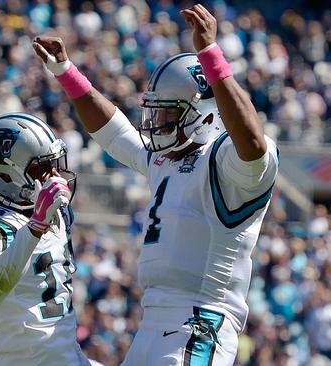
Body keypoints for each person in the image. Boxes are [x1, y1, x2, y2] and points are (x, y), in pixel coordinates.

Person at [33, 4, 279, 364]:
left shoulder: (228, 163)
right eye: (156, 112)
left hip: (200, 321)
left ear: (205, 113)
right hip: (152, 323)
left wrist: (211, 55)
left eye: (168, 114)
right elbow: (114, 132)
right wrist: (66, 72)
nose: (156, 124)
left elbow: (254, 145)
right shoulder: (165, 160)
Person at [0, 113, 94, 365]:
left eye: (54, 164)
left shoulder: (58, 210)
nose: (54, 175)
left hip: (67, 354)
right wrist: (35, 226)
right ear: (6, 175)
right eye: (42, 168)